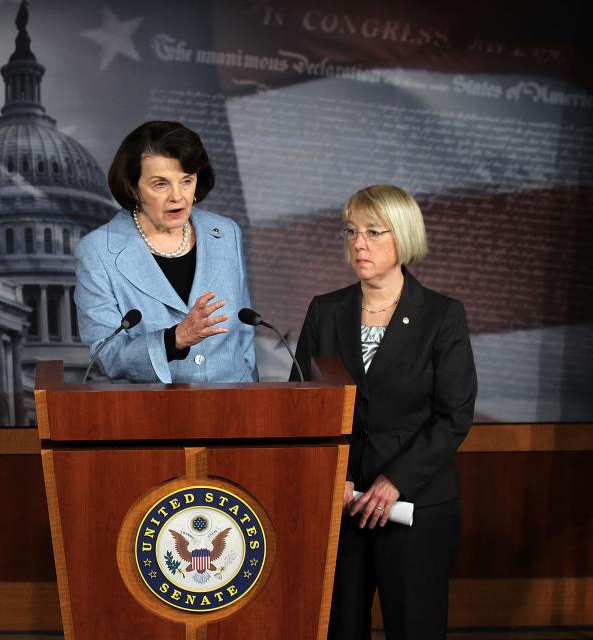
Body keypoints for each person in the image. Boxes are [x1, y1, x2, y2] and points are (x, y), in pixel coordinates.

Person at [292, 185, 477, 639]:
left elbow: (454, 414)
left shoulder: (441, 315)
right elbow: (303, 402)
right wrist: (334, 477)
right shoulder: (325, 310)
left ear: (405, 236)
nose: (359, 243)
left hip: (415, 508)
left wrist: (395, 481)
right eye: (352, 231)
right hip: (341, 503)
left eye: (375, 232)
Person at [75, 121, 257, 383]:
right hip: (153, 412)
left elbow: (244, 334)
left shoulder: (225, 232)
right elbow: (107, 356)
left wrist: (252, 396)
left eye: (186, 181)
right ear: (132, 188)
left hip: (235, 408)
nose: (177, 196)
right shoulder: (97, 252)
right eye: (161, 184)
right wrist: (175, 339)